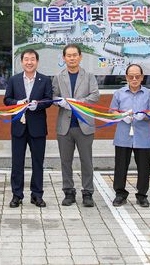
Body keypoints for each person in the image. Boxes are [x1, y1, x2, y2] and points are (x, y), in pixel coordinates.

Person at [4, 48, 53, 208]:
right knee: (17, 163)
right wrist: (17, 103)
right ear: (22, 62)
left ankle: (37, 195)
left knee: (37, 162)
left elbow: (49, 100)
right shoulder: (14, 79)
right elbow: (7, 100)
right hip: (18, 127)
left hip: (37, 127)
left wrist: (36, 106)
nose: (29, 62)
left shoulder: (45, 80)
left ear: (37, 62)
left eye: (32, 59)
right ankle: (17, 195)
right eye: (26, 59)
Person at [53, 44, 99, 207]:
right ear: (64, 58)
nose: (72, 58)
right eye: (69, 55)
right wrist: (61, 102)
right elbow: (53, 95)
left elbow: (95, 96)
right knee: (66, 161)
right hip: (65, 126)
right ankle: (68, 192)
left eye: (75, 55)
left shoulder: (89, 76)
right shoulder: (58, 76)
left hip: (84, 125)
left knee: (86, 161)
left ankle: (88, 193)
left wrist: (78, 103)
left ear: (80, 57)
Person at [110, 64, 150, 208]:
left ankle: (142, 195)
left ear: (142, 77)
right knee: (120, 166)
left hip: (142, 137)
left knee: (144, 167)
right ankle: (120, 194)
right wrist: (121, 115)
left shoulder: (149, 94)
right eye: (131, 77)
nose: (134, 79)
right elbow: (111, 112)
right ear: (126, 77)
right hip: (123, 136)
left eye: (137, 76)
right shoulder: (119, 93)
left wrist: (145, 115)